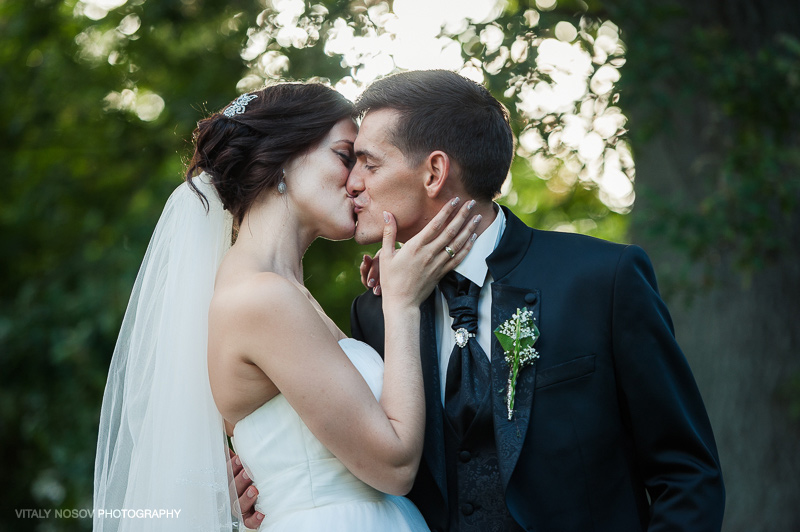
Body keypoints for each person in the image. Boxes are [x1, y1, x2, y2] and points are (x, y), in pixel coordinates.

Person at [238, 70, 725, 531]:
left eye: (369, 162)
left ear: (434, 173)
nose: (352, 182)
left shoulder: (602, 280)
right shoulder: (378, 313)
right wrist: (256, 484)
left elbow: (685, 472)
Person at [94, 82, 481, 532]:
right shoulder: (261, 298)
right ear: (282, 158)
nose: (358, 182)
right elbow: (393, 467)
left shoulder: (281, 293)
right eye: (343, 156)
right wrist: (402, 303)